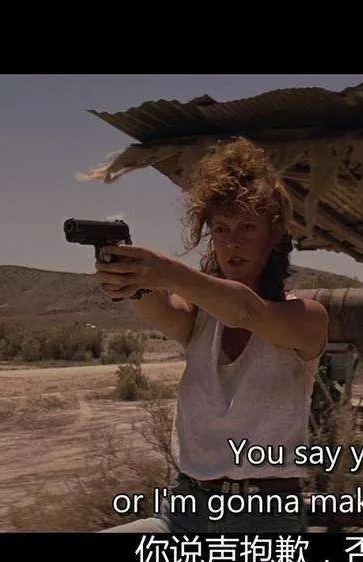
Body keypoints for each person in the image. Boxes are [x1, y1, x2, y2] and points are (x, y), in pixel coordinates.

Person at [97, 138, 328, 533]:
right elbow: (161, 310)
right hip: (186, 507)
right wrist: (130, 280)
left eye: (246, 227)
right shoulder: (200, 318)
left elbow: (248, 311)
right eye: (221, 229)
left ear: (274, 236)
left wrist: (167, 272)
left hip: (264, 517)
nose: (231, 242)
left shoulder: (306, 318)